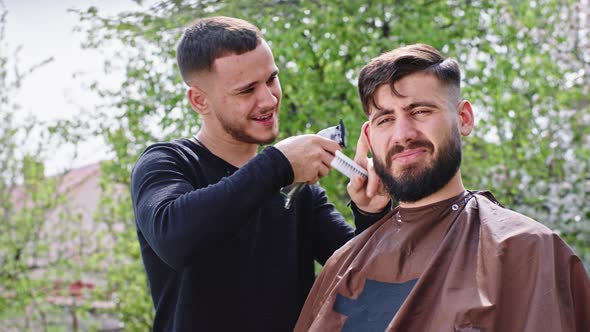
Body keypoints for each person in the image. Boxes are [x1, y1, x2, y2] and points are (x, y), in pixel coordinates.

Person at [295, 43, 590, 332]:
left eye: (420, 111)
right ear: (370, 137)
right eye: (386, 119)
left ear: (463, 118)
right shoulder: (342, 264)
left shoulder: (523, 250)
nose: (403, 134)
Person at [129, 16, 390, 331]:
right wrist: (278, 163)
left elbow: (363, 278)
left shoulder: (297, 189)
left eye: (271, 79)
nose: (268, 99)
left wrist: (370, 211)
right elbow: (175, 239)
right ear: (199, 100)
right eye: (247, 90)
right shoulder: (168, 163)